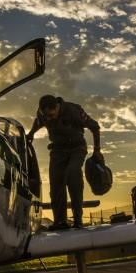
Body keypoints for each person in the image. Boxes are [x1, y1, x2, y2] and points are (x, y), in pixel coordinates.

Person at [27, 94, 102, 230]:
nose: (48, 119)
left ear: (57, 107)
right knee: (56, 183)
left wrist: (97, 150)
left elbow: (95, 127)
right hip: (57, 150)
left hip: (77, 148)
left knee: (73, 174)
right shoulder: (43, 114)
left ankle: (78, 220)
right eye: (46, 116)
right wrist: (31, 134)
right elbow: (38, 122)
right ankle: (60, 222)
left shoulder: (74, 111)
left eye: (51, 115)